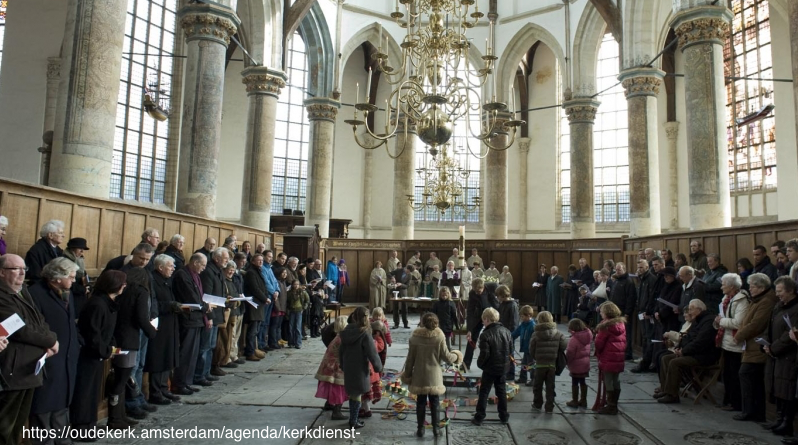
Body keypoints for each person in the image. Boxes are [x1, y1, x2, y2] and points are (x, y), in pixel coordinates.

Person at [0, 254, 59, 445]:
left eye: (24, 268)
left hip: (30, 366)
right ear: (1, 272)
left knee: (18, 424)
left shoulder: (23, 289)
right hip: (14, 368)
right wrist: (51, 341)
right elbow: (20, 329)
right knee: (5, 425)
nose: (22, 272)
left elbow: (39, 320)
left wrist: (51, 339)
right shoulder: (2, 296)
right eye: (15, 269)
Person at [28, 258, 81, 444]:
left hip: (67, 357)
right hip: (48, 357)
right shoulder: (35, 293)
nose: (74, 281)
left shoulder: (67, 293)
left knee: (62, 403)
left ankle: (63, 440)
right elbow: (34, 327)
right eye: (72, 277)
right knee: (43, 407)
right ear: (58, 278)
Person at [70, 270, 126, 437]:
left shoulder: (107, 303)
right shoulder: (97, 304)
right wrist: (106, 350)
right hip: (88, 355)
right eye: (122, 283)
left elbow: (107, 331)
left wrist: (112, 347)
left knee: (93, 391)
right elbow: (92, 334)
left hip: (98, 354)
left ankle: (89, 424)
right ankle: (81, 428)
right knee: (84, 392)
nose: (125, 286)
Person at [401, 312, 463, 437]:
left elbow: (410, 360)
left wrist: (407, 375)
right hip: (434, 377)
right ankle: (436, 429)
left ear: (422, 322)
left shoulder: (415, 337)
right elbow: (447, 357)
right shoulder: (439, 337)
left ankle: (420, 429)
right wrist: (457, 355)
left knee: (420, 402)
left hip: (419, 376)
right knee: (435, 402)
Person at [111, 267, 157, 425]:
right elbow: (141, 316)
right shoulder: (140, 291)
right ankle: (127, 408)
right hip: (130, 336)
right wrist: (152, 332)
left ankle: (128, 407)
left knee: (129, 372)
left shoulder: (122, 290)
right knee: (128, 373)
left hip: (118, 335)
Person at [655, 300, 720, 404]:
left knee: (675, 362)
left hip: (704, 356)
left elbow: (700, 342)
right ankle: (666, 390)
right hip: (694, 353)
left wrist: (684, 351)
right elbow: (688, 337)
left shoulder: (708, 321)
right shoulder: (697, 320)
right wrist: (680, 348)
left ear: (699, 309)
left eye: (691, 309)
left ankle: (673, 395)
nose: (689, 312)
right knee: (665, 358)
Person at [733, 273, 777, 422]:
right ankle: (753, 411)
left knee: (746, 374)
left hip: (756, 346)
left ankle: (751, 411)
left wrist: (739, 335)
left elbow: (756, 324)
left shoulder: (766, 301)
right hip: (750, 346)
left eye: (752, 286)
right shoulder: (758, 299)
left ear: (761, 287)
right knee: (753, 379)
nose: (750, 289)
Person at [145, 254, 182, 406]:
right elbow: (154, 305)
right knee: (158, 359)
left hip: (170, 323)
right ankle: (155, 392)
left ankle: (164, 388)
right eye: (170, 266)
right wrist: (170, 305)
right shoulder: (153, 280)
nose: (173, 268)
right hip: (159, 324)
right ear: (160, 267)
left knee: (168, 356)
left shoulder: (167, 280)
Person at [764, 276, 797, 437]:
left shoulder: (796, 309)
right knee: (778, 389)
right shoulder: (778, 306)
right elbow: (769, 326)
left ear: (791, 291)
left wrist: (774, 348)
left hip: (788, 356)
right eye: (776, 291)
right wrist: (766, 343)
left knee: (787, 390)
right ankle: (779, 419)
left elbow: (790, 335)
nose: (778, 294)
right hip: (774, 353)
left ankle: (787, 423)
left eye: (780, 291)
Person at [339, 307, 383, 429]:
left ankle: (353, 418)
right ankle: (353, 420)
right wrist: (379, 367)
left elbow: (341, 351)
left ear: (353, 317)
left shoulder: (346, 331)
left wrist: (342, 364)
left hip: (348, 365)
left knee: (353, 393)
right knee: (357, 394)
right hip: (360, 368)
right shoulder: (364, 333)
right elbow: (372, 353)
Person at [171, 253, 208, 395]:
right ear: (195, 262)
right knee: (186, 353)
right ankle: (180, 383)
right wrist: (204, 307)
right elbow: (190, 296)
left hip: (196, 319)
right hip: (188, 319)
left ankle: (187, 381)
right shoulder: (182, 275)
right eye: (203, 265)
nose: (204, 268)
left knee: (193, 354)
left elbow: (198, 294)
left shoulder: (194, 274)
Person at [713, 273, 750, 412]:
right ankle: (727, 400)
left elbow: (738, 323)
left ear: (732, 286)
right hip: (726, 341)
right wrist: (718, 322)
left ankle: (735, 403)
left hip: (736, 343)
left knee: (734, 375)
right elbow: (721, 317)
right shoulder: (726, 298)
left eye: (724, 284)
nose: (721, 286)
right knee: (727, 374)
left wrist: (720, 321)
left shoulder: (741, 300)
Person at [472, 307, 512, 425]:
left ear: (487, 319)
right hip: (503, 367)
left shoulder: (485, 335)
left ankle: (479, 416)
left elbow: (485, 354)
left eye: (483, 320)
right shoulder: (506, 331)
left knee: (484, 392)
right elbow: (511, 350)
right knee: (501, 391)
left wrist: (480, 364)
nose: (483, 323)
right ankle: (504, 416)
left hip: (490, 368)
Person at [528, 310, 567, 414]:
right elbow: (563, 346)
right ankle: (549, 406)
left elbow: (531, 349)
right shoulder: (558, 333)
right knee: (550, 387)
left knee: (537, 386)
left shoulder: (535, 334)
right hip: (552, 365)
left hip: (540, 364)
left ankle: (537, 404)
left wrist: (536, 357)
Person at [594, 302, 627, 415]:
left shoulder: (606, 326)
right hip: (618, 357)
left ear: (607, 313)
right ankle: (614, 404)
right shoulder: (620, 324)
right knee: (616, 380)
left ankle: (611, 405)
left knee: (608, 380)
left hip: (608, 357)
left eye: (602, 312)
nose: (601, 314)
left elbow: (599, 343)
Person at [314, 316, 349, 421]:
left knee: (331, 386)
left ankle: (329, 403)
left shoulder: (337, 336)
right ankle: (337, 411)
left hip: (328, 365)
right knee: (339, 388)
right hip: (336, 366)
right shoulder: (343, 338)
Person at [464, 277, 499, 370]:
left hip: (492, 316)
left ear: (483, 287)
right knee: (472, 339)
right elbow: (470, 311)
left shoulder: (493, 287)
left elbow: (499, 302)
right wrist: (469, 330)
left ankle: (494, 363)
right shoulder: (472, 293)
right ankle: (466, 364)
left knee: (494, 339)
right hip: (479, 316)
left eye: (479, 291)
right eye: (475, 291)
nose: (477, 293)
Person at [632, 258, 659, 373]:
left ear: (647, 267)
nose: (639, 269)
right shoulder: (641, 279)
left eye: (641, 267)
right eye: (638, 267)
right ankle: (645, 361)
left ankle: (647, 363)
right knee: (645, 337)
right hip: (642, 312)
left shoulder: (652, 279)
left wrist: (649, 312)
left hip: (648, 314)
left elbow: (652, 297)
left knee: (649, 338)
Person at [242, 254, 270, 361]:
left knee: (256, 329)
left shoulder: (259, 271)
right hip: (253, 304)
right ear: (253, 261)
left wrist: (266, 296)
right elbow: (255, 288)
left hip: (259, 304)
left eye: (262, 260)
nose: (261, 262)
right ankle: (250, 352)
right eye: (258, 260)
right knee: (252, 330)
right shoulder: (251, 272)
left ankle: (254, 350)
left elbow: (263, 286)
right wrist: (265, 298)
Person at [610, 262, 637, 360]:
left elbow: (631, 298)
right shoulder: (616, 280)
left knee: (626, 332)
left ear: (624, 269)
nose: (617, 271)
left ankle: (627, 353)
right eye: (616, 270)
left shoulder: (628, 281)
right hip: (615, 311)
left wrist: (627, 313)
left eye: (619, 270)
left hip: (623, 311)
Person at [565, 318, 592, 408]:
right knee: (583, 381)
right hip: (585, 363)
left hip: (576, 364)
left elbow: (570, 353)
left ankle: (575, 401)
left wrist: (567, 361)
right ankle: (584, 400)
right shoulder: (587, 336)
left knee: (575, 382)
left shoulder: (574, 339)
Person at [62, 237, 90, 319]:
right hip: (71, 296)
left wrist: (88, 286)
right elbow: (67, 281)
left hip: (80, 297)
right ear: (72, 249)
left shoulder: (79, 260)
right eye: (80, 248)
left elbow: (84, 275)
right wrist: (83, 289)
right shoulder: (65, 261)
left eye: (83, 249)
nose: (82, 251)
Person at [497, 285, 519, 380]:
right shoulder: (502, 304)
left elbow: (514, 322)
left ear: (502, 295)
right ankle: (504, 371)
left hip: (509, 334)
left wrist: (510, 335)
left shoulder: (512, 305)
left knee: (510, 353)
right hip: (502, 332)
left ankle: (511, 373)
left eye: (498, 296)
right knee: (503, 354)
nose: (497, 298)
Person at [511, 305, 536, 386]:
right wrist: (509, 337)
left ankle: (533, 379)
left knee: (531, 365)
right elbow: (516, 333)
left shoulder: (532, 326)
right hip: (525, 348)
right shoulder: (523, 325)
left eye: (522, 316)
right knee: (524, 364)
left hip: (531, 350)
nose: (521, 318)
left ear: (528, 316)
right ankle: (523, 378)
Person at [286, 279, 309, 349]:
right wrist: (288, 309)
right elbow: (287, 302)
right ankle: (291, 342)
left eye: (297, 284)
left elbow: (307, 300)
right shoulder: (289, 293)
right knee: (291, 327)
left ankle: (298, 343)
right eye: (294, 284)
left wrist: (304, 308)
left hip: (299, 311)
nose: (296, 286)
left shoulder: (302, 292)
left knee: (297, 327)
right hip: (292, 311)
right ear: (292, 285)